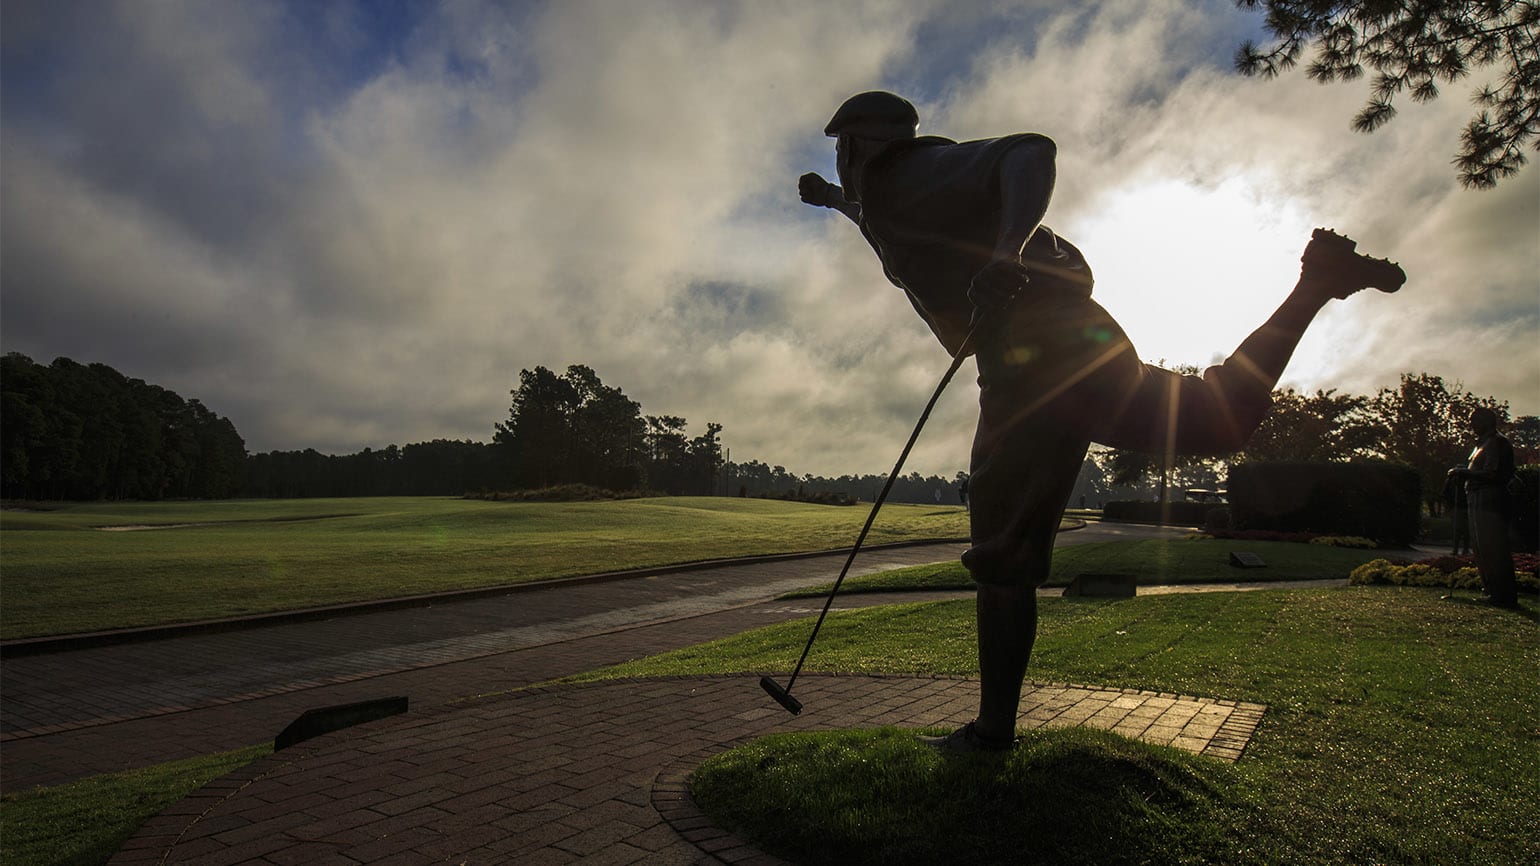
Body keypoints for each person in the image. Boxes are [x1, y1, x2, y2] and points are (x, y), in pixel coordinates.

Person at [800, 91, 1407, 752]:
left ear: (859, 145)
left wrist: (1006, 255)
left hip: (1036, 356)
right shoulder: (889, 196)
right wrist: (833, 199)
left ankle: (991, 733)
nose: (841, 161)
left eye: (841, 150)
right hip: (1064, 340)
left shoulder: (913, 173)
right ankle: (1315, 284)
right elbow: (878, 221)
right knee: (1214, 421)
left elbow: (1030, 154)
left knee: (1002, 552)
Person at [1447, 408, 1519, 607]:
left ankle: (1502, 595)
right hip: (1477, 498)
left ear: (1488, 421)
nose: (1472, 424)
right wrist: (1464, 472)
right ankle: (1491, 590)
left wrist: (1463, 473)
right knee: (1480, 547)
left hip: (1490, 500)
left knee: (1492, 546)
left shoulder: (1497, 442)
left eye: (1475, 420)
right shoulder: (1482, 443)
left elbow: (1492, 473)